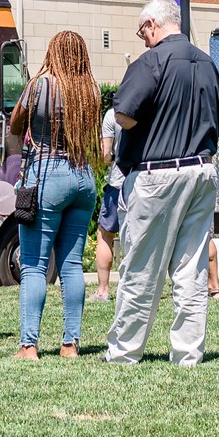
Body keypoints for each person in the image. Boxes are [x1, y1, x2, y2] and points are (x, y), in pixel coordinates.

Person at [103, 0, 219, 367]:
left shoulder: (151, 61)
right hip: (201, 170)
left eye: (142, 30)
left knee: (141, 266)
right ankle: (187, 353)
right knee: (192, 268)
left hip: (158, 174)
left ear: (152, 24)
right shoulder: (207, 62)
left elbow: (124, 115)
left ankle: (124, 351)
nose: (142, 37)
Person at [7, 30, 102, 359]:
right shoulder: (90, 89)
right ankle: (70, 345)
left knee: (34, 265)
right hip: (83, 177)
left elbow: (16, 125)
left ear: (53, 53)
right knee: (72, 265)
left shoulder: (40, 85)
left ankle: (28, 345)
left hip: (48, 175)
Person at [91, 105, 124, 301]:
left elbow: (106, 154)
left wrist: (111, 159)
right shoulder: (151, 109)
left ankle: (103, 290)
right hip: (145, 182)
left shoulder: (112, 114)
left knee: (105, 234)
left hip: (118, 183)